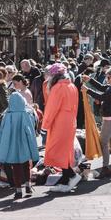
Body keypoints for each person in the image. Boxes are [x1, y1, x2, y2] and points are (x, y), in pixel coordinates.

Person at [42, 63, 80, 192]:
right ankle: (66, 179)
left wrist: (45, 124)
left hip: (60, 120)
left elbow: (52, 108)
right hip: (70, 120)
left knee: (57, 150)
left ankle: (71, 175)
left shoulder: (57, 88)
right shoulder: (72, 86)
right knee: (65, 151)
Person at [82, 66, 111, 178]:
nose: (107, 79)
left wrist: (88, 90)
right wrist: (90, 80)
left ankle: (105, 168)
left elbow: (102, 96)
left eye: (108, 77)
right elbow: (102, 88)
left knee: (104, 143)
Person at [0, 92, 39, 199]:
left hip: (12, 145)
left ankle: (18, 190)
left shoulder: (6, 115)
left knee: (15, 167)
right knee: (26, 165)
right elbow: (32, 131)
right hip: (24, 144)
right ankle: (28, 185)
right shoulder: (27, 113)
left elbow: (2, 133)